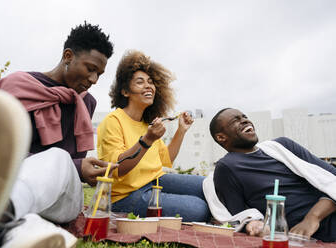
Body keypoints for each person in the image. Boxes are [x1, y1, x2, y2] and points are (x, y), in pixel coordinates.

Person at [0, 22, 115, 248]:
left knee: (60, 157)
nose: (94, 79)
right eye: (90, 68)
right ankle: (15, 232)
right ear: (68, 56)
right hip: (6, 184)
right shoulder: (18, 86)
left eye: (99, 74)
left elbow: (67, 166)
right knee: (26, 220)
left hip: (62, 200)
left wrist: (79, 168)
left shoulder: (86, 103)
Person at [96, 50, 211, 222]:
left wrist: (181, 131)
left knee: (206, 186)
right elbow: (116, 168)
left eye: (150, 82)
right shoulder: (113, 121)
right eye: (140, 82)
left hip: (156, 181)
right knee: (198, 208)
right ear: (125, 91)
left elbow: (167, 160)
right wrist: (147, 140)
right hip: (125, 196)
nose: (148, 86)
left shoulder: (146, 124)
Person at [207, 108, 336, 242]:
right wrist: (255, 225)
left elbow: (332, 178)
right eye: (235, 120)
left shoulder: (283, 146)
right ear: (221, 137)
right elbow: (241, 216)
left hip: (327, 214)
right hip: (299, 237)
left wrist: (312, 218)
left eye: (244, 116)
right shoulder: (227, 167)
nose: (245, 120)